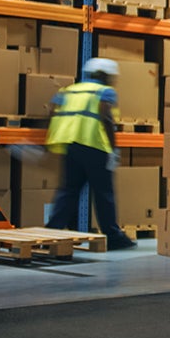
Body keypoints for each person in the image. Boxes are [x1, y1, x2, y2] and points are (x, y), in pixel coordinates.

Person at [45, 57, 136, 251]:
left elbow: (52, 110)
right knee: (103, 193)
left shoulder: (69, 90)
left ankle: (51, 232)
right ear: (106, 76)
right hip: (95, 146)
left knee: (68, 191)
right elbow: (105, 117)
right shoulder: (105, 92)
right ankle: (113, 237)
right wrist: (113, 149)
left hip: (70, 145)